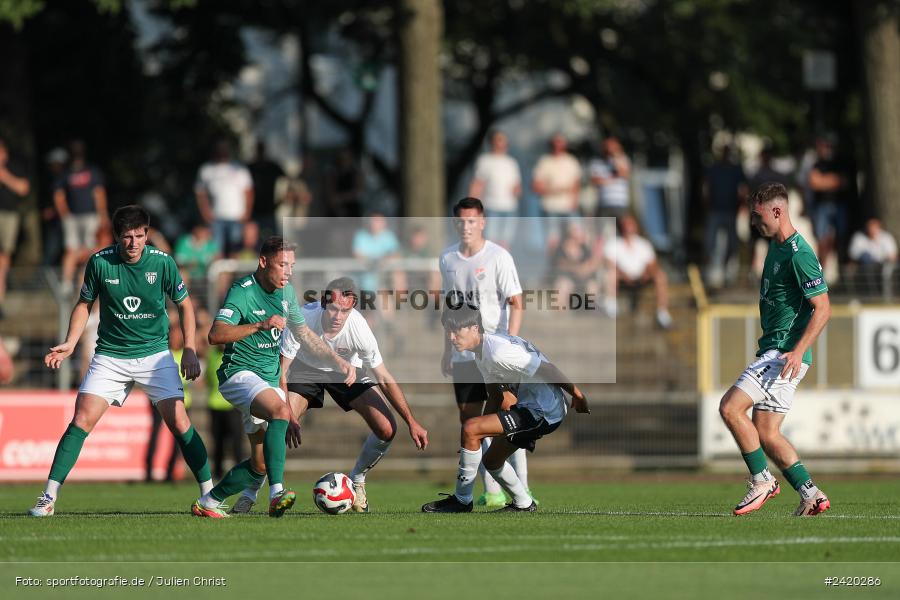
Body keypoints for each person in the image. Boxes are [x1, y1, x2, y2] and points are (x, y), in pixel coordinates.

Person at [30, 205, 213, 516]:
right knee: (81, 420)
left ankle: (209, 496)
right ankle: (48, 497)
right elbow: (83, 304)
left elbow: (185, 306)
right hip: (111, 355)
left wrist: (191, 348)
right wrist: (72, 343)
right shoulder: (100, 263)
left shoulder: (163, 263)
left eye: (140, 236)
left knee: (180, 422)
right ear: (116, 237)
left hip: (155, 355)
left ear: (147, 234)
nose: (134, 243)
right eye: (127, 237)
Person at [229, 277, 428, 514]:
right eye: (333, 308)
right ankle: (251, 492)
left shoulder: (359, 328)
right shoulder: (303, 318)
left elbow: (384, 377)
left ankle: (357, 479)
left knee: (387, 428)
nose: (337, 316)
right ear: (324, 303)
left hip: (347, 372)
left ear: (352, 307)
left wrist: (412, 422)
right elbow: (282, 372)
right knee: (278, 424)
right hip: (305, 370)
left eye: (344, 310)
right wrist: (288, 415)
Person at [191, 236, 356, 518]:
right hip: (238, 375)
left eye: (291, 265)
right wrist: (259, 325)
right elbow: (215, 335)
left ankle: (208, 501)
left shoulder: (287, 293)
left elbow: (304, 334)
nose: (288, 272)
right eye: (282, 265)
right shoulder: (242, 291)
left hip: (266, 381)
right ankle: (277, 493)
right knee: (281, 410)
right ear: (264, 262)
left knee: (260, 465)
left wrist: (337, 359)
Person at [719, 182, 831, 517]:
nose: (754, 224)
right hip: (776, 351)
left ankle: (762, 479)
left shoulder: (800, 255)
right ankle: (811, 494)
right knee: (766, 433)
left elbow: (823, 307)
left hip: (782, 354)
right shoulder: (775, 248)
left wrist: (797, 352)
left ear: (777, 211)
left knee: (730, 408)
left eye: (757, 216)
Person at [422, 304, 590, 513]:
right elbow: (495, 396)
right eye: (447, 331)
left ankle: (462, 500)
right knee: (492, 461)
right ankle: (524, 504)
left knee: (470, 427)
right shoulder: (482, 355)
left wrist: (578, 395)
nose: (451, 337)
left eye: (456, 330)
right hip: (532, 407)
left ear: (475, 328)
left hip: (543, 410)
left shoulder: (498, 352)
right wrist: (478, 434)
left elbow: (548, 369)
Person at [440, 197, 529, 508]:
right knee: (470, 421)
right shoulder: (447, 258)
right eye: (461, 221)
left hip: (495, 352)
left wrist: (510, 344)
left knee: (507, 418)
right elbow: (450, 310)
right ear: (455, 223)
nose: (467, 227)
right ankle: (491, 490)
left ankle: (523, 489)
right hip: (464, 354)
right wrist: (446, 349)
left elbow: (516, 302)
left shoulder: (498, 257)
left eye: (472, 221)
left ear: (483, 222)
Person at [54, 140, 108, 295]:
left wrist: (101, 214)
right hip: (79, 217)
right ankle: (68, 284)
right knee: (74, 251)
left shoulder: (88, 171)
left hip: (88, 216)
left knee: (87, 251)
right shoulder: (69, 173)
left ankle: (79, 284)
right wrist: (65, 215)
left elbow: (98, 193)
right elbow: (59, 196)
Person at [603, 214, 672, 329]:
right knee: (611, 274)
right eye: (626, 224)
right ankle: (611, 307)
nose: (629, 227)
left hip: (641, 278)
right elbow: (609, 264)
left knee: (661, 276)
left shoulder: (644, 244)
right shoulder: (613, 243)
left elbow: (653, 264)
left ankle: (662, 313)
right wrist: (623, 275)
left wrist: (647, 273)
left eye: (631, 224)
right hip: (621, 279)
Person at [195, 140, 253, 257]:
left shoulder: (239, 169)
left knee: (235, 249)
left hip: (237, 216)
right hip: (216, 217)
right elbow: (200, 193)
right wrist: (205, 212)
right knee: (216, 250)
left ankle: (234, 275)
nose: (222, 153)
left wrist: (247, 212)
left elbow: (248, 191)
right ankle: (220, 275)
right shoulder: (206, 169)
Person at [703, 144, 747, 288]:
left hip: (730, 211)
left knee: (732, 244)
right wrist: (707, 205)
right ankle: (711, 273)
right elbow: (707, 188)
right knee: (711, 243)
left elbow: (743, 189)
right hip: (715, 211)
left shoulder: (736, 169)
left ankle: (727, 273)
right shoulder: (714, 168)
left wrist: (741, 205)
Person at [468, 131, 522, 248]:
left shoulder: (511, 163)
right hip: (491, 207)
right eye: (498, 140)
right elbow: (477, 184)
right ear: (492, 142)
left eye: (503, 140)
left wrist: (517, 191)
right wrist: (472, 206)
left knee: (505, 243)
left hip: (510, 208)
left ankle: (503, 266)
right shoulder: (485, 160)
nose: (501, 143)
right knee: (490, 242)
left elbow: (517, 186)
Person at [532, 134, 582, 251]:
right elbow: (536, 186)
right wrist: (554, 190)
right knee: (552, 238)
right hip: (550, 207)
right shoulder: (545, 161)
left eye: (560, 142)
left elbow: (576, 184)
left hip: (569, 207)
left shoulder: (571, 161)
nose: (558, 145)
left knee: (575, 237)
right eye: (555, 142)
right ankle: (553, 265)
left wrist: (574, 201)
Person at [807, 135, 849, 272]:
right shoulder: (817, 164)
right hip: (821, 206)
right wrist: (833, 181)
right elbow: (814, 182)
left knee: (840, 238)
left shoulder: (839, 162)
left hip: (838, 205)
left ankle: (841, 271)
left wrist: (823, 181)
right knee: (822, 238)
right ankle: (821, 272)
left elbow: (843, 182)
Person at [0, 136, 30, 318]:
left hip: (9, 217)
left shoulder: (13, 168)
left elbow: (23, 189)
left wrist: (4, 176)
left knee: (3, 260)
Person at [848, 218, 898, 295]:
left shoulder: (886, 238)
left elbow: (893, 256)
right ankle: (868, 294)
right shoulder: (859, 237)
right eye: (870, 228)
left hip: (883, 266)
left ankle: (886, 294)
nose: (871, 230)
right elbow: (853, 255)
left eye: (874, 228)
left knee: (886, 270)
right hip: (864, 267)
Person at [248, 141, 285, 239]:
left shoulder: (272, 167)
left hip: (270, 210)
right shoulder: (250, 168)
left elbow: (287, 181)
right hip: (254, 210)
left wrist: (280, 201)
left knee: (274, 240)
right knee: (253, 239)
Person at [589, 136, 631, 221]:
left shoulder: (623, 159)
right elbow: (595, 181)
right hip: (604, 202)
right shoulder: (596, 162)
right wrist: (612, 179)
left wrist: (615, 156)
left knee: (621, 229)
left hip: (620, 202)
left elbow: (624, 174)